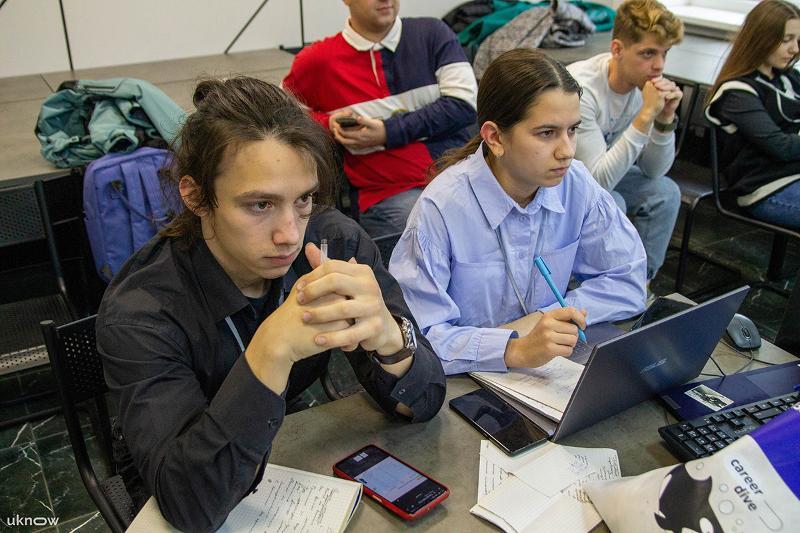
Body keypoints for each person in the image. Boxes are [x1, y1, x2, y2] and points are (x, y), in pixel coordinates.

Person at [96, 77, 446, 532]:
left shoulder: (333, 242)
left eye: (302, 200)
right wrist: (270, 351)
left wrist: (393, 342)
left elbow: (424, 402)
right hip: (183, 473)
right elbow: (191, 505)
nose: (289, 234)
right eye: (260, 205)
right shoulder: (142, 312)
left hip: (286, 456)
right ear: (196, 196)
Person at [389, 49, 647, 376]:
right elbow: (414, 337)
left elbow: (629, 280)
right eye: (547, 133)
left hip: (545, 368)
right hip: (462, 378)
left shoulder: (576, 183)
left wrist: (543, 320)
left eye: (572, 130)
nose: (567, 151)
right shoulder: (441, 208)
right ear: (495, 138)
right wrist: (513, 348)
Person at [282, 0, 478, 238]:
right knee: (440, 226)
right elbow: (283, 115)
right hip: (390, 193)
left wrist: (388, 132)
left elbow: (464, 104)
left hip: (460, 175)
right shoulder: (317, 61)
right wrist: (327, 125)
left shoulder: (432, 34)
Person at [567, 0, 683, 282]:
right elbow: (598, 181)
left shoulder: (644, 85)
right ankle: (604, 289)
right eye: (648, 53)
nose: (659, 66)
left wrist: (664, 120)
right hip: (561, 181)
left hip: (605, 175)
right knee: (612, 203)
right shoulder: (581, 89)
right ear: (617, 49)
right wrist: (646, 117)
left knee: (665, 193)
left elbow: (654, 171)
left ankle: (641, 284)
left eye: (664, 53)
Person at [705, 0, 800, 230]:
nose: (794, 49)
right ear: (761, 38)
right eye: (786, 40)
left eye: (798, 40)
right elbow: (781, 147)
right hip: (766, 190)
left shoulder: (790, 78)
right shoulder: (737, 92)